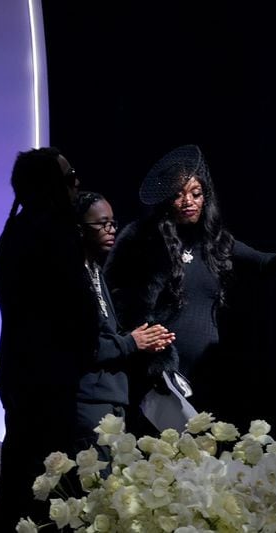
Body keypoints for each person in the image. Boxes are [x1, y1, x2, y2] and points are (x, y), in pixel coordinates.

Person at [105, 144, 276, 427]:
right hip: (160, 381)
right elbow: (124, 302)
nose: (188, 201)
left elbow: (267, 264)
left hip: (208, 376)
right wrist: (156, 362)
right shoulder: (143, 241)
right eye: (178, 195)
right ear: (165, 200)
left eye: (195, 194)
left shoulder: (215, 242)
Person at [0, 147, 96, 531]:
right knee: (48, 482)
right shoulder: (55, 233)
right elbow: (73, 309)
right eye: (70, 178)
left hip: (19, 374)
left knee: (19, 473)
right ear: (52, 186)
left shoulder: (14, 232)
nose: (77, 184)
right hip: (47, 378)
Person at [73, 190, 175, 458]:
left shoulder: (96, 271)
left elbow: (108, 334)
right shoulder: (74, 276)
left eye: (113, 223)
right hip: (88, 403)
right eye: (101, 224)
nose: (110, 230)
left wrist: (144, 341)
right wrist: (132, 342)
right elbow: (84, 345)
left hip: (111, 399)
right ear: (78, 228)